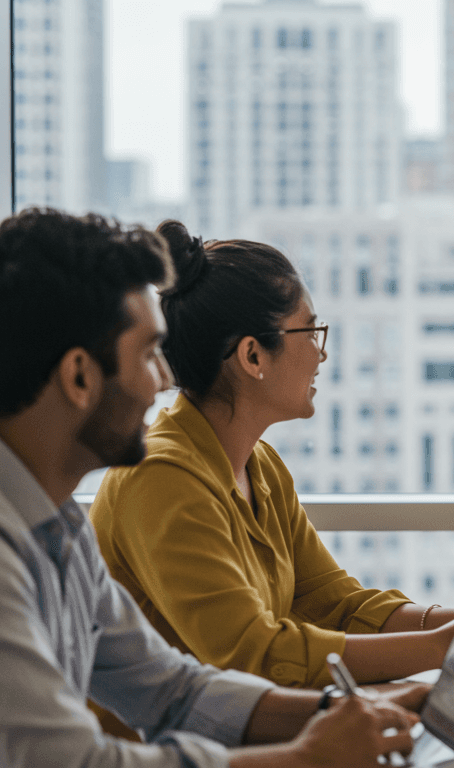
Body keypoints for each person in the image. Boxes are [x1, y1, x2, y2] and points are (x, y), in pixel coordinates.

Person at [0, 208, 427, 767]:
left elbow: (173, 690)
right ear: (80, 377)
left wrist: (350, 708)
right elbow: (78, 763)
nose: (163, 380)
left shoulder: (61, 528)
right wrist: (304, 757)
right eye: (149, 354)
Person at [89, 220, 454, 692]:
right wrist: (450, 646)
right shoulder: (161, 475)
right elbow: (252, 653)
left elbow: (336, 603)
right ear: (253, 356)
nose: (322, 354)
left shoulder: (261, 467)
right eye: (310, 331)